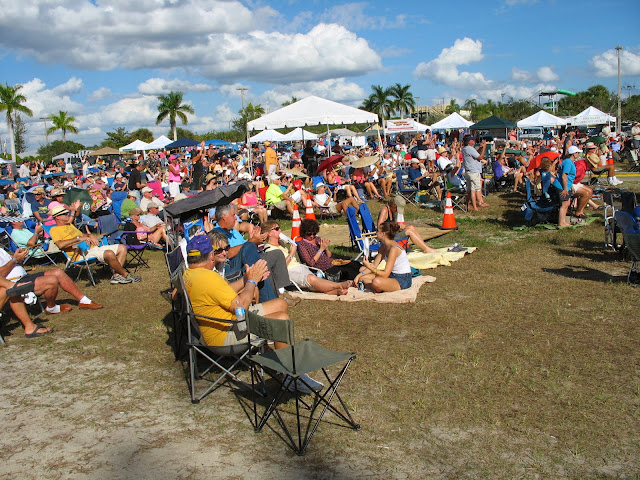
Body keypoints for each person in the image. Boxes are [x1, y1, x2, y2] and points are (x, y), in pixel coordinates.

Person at [0, 245, 102, 335]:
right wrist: (14, 260)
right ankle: (51, 308)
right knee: (51, 280)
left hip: (24, 276)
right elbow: (1, 274)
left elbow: (14, 264)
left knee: (58, 272)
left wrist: (18, 258)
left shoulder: (1, 250)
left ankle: (84, 300)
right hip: (15, 281)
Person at [49, 205, 141, 284]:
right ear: (57, 217)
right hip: (81, 254)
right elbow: (60, 245)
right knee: (109, 253)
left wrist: (90, 236)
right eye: (64, 214)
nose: (67, 215)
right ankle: (125, 274)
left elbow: (83, 235)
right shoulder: (54, 230)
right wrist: (78, 239)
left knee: (122, 247)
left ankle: (116, 275)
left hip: (91, 248)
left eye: (67, 213)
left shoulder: (69, 225)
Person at [262, 221, 352, 295]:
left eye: (279, 228)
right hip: (289, 271)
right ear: (268, 233)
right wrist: (292, 253)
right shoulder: (269, 248)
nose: (280, 230)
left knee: (314, 282)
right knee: (311, 279)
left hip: (299, 266)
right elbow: (280, 268)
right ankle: (339, 285)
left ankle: (335, 291)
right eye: (276, 229)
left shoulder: (281, 243)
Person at [354, 221, 412, 293]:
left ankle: (379, 287)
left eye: (378, 231)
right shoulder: (384, 246)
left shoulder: (394, 249)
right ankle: (379, 288)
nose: (376, 233)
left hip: (403, 278)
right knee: (362, 278)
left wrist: (368, 266)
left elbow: (385, 274)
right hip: (391, 275)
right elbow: (374, 264)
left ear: (383, 234)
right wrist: (359, 275)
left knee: (376, 282)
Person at [296, 219, 361, 281]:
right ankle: (362, 278)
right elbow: (311, 263)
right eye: (309, 234)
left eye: (314, 234)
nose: (312, 236)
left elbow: (329, 255)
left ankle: (364, 274)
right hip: (323, 267)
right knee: (349, 272)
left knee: (355, 264)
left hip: (332, 262)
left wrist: (326, 248)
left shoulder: (317, 239)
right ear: (304, 233)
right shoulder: (302, 245)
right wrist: (321, 249)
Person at [462, 136, 488, 211]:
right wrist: (484, 147)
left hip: (468, 171)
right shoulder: (470, 148)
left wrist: (480, 148)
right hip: (474, 171)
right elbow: (480, 157)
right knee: (474, 190)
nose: (474, 141)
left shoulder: (465, 148)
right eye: (472, 140)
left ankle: (467, 205)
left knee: (469, 190)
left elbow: (475, 154)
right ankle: (475, 207)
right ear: (469, 141)